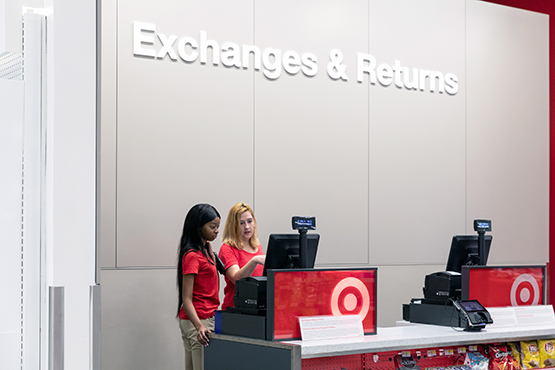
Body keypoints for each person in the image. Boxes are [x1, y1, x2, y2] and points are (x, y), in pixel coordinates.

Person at [176, 203, 220, 370]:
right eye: (212, 226)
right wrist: (200, 326)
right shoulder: (193, 256)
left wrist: (210, 255)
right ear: (198, 227)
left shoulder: (205, 252)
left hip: (197, 319)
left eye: (217, 227)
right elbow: (186, 299)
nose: (216, 231)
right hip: (200, 320)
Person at [218, 202, 265, 311]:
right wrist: (254, 260)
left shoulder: (257, 246)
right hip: (235, 310)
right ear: (233, 225)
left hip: (257, 308)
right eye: (241, 223)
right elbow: (236, 279)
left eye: (249, 221)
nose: (247, 227)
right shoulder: (227, 248)